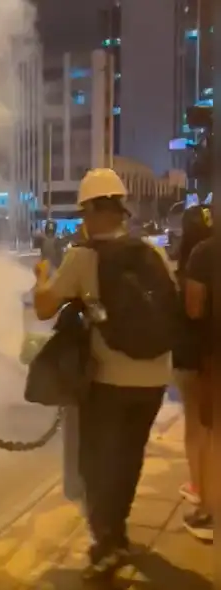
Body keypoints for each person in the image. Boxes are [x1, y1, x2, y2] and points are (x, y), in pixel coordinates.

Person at [32, 168, 179, 580]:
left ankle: (106, 545)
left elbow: (44, 308)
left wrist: (42, 276)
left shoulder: (84, 256)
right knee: (129, 459)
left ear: (96, 211)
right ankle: (118, 534)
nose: (83, 220)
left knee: (97, 465)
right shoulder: (153, 251)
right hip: (154, 380)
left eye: (85, 211)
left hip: (110, 382)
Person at [177, 208, 215, 541]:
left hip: (203, 357)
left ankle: (206, 509)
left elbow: (193, 309)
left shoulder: (200, 257)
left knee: (201, 431)